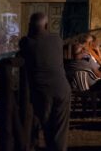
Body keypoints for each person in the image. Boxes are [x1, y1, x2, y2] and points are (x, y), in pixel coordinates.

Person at [18, 12, 71, 151]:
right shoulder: (57, 40)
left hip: (41, 91)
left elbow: (24, 47)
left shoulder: (26, 42)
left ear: (30, 26)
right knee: (60, 129)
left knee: (47, 127)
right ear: (47, 25)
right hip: (62, 87)